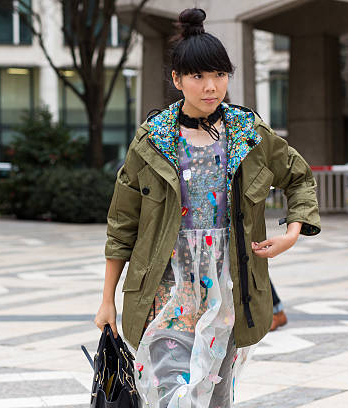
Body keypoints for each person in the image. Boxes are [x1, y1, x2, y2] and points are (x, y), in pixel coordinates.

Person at [95, 8, 321, 408]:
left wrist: (291, 233)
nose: (211, 86)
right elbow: (122, 225)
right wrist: (107, 299)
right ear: (177, 79)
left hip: (229, 288)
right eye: (198, 76)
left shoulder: (249, 133)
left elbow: (299, 177)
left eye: (219, 74)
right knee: (169, 396)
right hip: (165, 289)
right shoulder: (151, 142)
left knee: (215, 395)